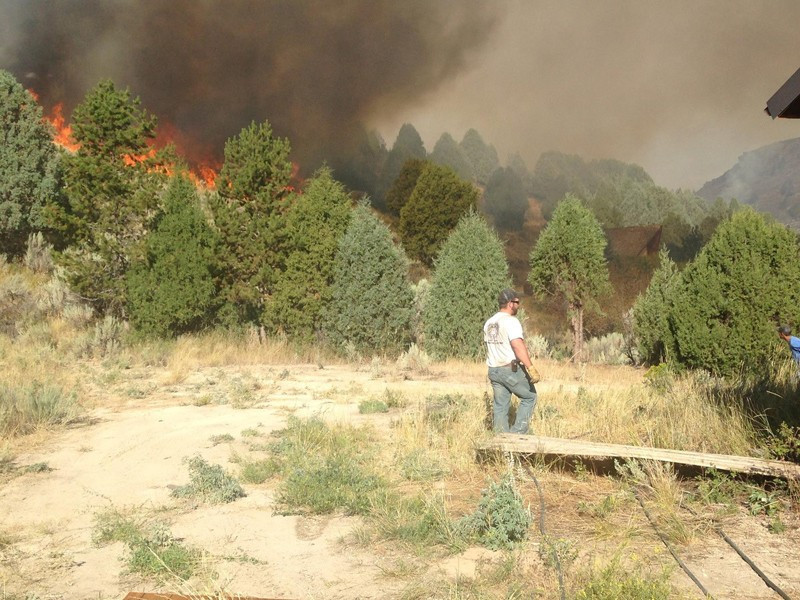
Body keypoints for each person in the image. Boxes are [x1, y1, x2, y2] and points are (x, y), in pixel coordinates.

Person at [483, 288, 537, 434]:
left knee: (500, 406)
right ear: (510, 304)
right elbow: (517, 345)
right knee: (530, 397)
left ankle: (501, 443)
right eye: (517, 302)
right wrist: (530, 367)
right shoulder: (511, 321)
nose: (518, 305)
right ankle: (517, 435)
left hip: (494, 370)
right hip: (509, 369)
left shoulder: (490, 322)